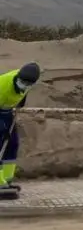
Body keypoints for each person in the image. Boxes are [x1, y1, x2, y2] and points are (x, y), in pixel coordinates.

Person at [0, 62, 41, 199]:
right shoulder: (3, 85)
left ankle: (6, 180)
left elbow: (24, 91)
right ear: (18, 77)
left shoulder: (27, 80)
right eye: (22, 81)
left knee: (12, 143)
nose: (24, 84)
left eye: (27, 83)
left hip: (6, 111)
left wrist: (22, 100)